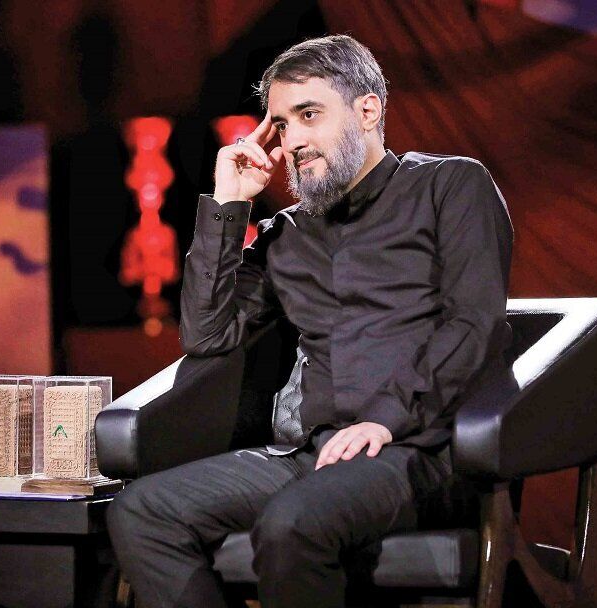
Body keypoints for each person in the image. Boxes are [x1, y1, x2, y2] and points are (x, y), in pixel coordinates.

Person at [108, 34, 513, 608]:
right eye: (280, 124)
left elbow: (473, 325)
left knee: (291, 522)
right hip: (313, 456)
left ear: (367, 111)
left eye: (308, 115)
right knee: (142, 511)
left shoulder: (450, 186)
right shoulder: (286, 235)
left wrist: (385, 420)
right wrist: (229, 204)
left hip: (418, 451)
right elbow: (206, 334)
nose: (292, 140)